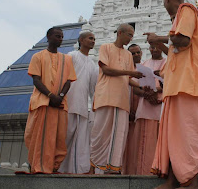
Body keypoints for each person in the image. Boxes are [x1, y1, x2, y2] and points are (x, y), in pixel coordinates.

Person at [145, 0, 198, 189]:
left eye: (163, 1)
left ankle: (191, 183)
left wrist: (158, 38)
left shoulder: (187, 10)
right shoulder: (178, 19)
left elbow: (182, 40)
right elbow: (176, 49)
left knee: (187, 132)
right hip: (175, 86)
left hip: (187, 84)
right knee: (173, 135)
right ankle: (174, 180)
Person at [90, 24, 144, 174]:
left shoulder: (127, 55)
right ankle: (93, 166)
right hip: (106, 96)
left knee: (119, 134)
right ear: (120, 33)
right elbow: (106, 70)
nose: (131, 38)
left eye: (132, 36)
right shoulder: (105, 47)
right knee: (100, 133)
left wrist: (143, 88)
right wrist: (130, 73)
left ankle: (112, 168)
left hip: (122, 99)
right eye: (129, 35)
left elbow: (129, 79)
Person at [24, 27, 77, 173]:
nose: (60, 39)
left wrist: (59, 97)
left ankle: (54, 167)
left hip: (59, 104)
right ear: (48, 37)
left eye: (61, 37)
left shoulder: (67, 59)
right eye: (57, 36)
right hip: (42, 102)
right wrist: (50, 96)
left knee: (59, 138)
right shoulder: (38, 56)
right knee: (39, 137)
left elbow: (68, 81)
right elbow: (36, 79)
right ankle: (38, 166)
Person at [59, 32, 98, 174]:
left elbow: (93, 87)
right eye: (90, 38)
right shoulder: (72, 56)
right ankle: (58, 166)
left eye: (94, 39)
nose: (93, 41)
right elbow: (63, 76)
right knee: (65, 136)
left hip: (82, 105)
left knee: (80, 140)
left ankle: (76, 170)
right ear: (81, 40)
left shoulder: (92, 63)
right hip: (68, 102)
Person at [133, 44, 166, 175]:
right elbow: (135, 86)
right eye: (152, 47)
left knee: (160, 141)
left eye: (157, 47)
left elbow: (171, 81)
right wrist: (146, 94)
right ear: (149, 49)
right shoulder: (144, 64)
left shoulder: (167, 62)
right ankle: (143, 173)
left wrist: (155, 92)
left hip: (161, 104)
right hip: (145, 106)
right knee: (144, 144)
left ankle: (159, 171)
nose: (155, 49)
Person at [122, 43, 144, 175]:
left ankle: (138, 170)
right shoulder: (125, 70)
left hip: (141, 110)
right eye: (132, 53)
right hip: (127, 109)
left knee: (138, 142)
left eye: (137, 52)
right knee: (125, 142)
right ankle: (124, 170)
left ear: (142, 53)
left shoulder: (146, 68)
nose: (136, 55)